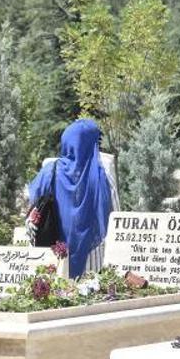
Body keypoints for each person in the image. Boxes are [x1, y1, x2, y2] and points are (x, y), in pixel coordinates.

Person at [28, 119, 114, 278]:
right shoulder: (102, 175)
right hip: (93, 255)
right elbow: (115, 216)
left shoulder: (50, 170)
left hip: (55, 252)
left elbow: (33, 201)